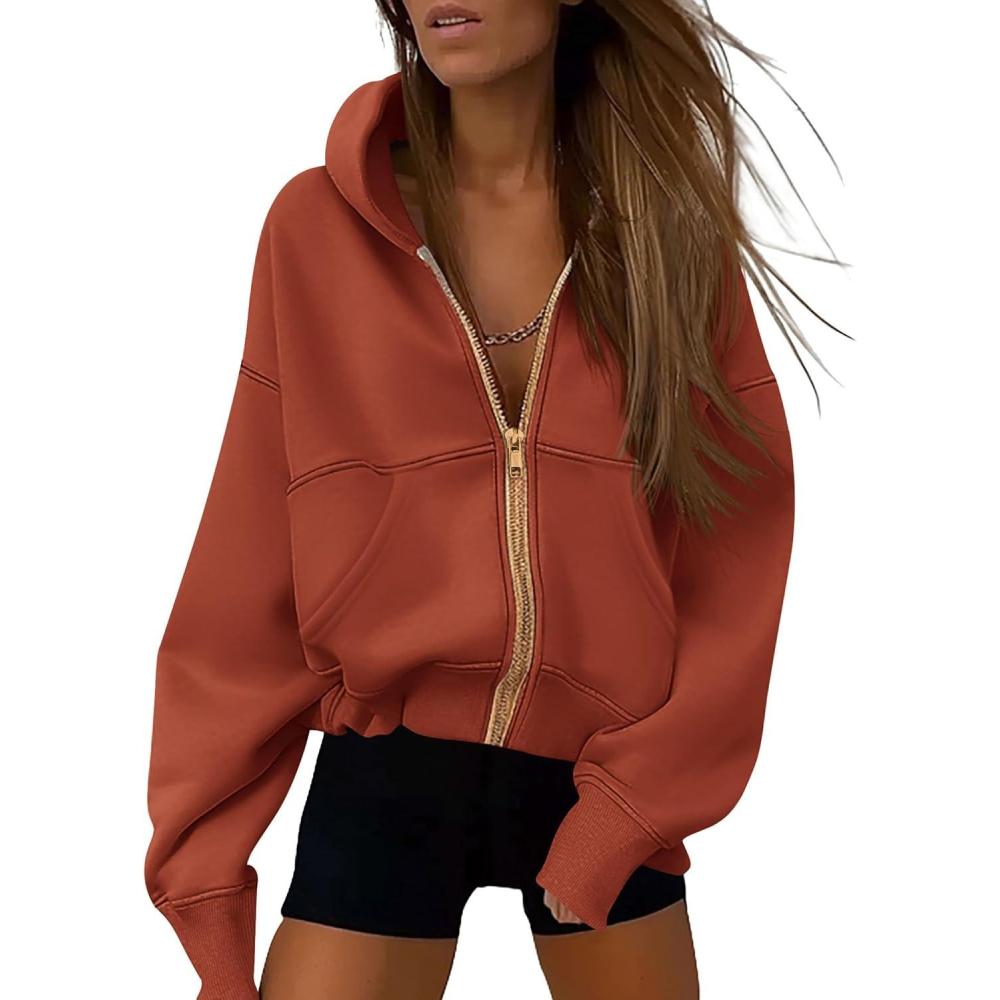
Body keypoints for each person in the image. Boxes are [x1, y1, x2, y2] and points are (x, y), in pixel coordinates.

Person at [145, 2, 838, 997]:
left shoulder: (663, 233)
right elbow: (247, 550)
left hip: (606, 781)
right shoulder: (317, 229)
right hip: (387, 778)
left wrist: (633, 806)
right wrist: (205, 878)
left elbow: (735, 557)